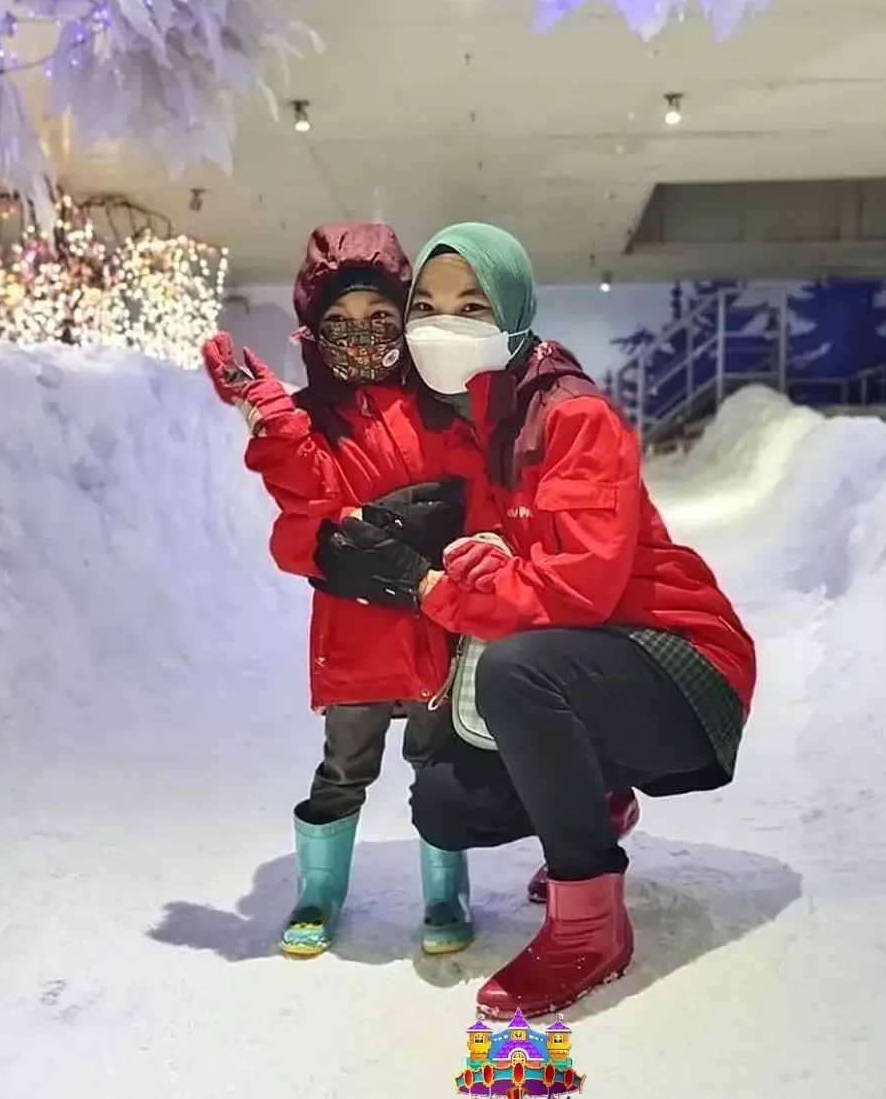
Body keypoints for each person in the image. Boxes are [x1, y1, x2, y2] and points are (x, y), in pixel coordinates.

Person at [310, 222, 757, 1018]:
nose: (445, 324)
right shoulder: (485, 430)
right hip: (603, 669)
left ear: (513, 311)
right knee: (446, 800)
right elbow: (488, 572)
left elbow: (576, 588)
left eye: (472, 304)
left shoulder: (571, 416)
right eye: (429, 305)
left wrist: (428, 583)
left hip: (686, 670)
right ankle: (598, 797)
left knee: (522, 669)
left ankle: (590, 924)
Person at [200, 222, 484, 960]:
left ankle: (444, 885)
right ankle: (319, 888)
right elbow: (309, 512)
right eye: (340, 323)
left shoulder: (439, 412)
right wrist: (276, 421)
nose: (361, 335)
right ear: (312, 332)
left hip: (430, 626)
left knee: (436, 763)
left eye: (380, 319)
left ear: (406, 323)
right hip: (355, 638)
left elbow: (474, 500)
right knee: (343, 768)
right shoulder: (314, 421)